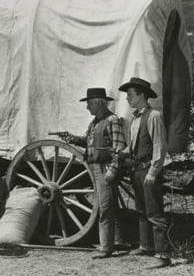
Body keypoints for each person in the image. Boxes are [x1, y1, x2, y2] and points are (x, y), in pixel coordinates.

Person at [60, 88, 127, 259]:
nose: (87, 107)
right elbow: (88, 142)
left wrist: (112, 170)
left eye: (89, 103)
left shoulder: (112, 120)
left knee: (104, 208)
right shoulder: (95, 122)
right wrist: (72, 138)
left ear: (98, 102)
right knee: (107, 205)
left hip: (104, 168)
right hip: (95, 167)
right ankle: (116, 241)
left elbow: (119, 148)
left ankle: (105, 248)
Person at [117, 77, 171, 268]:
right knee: (142, 211)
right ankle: (146, 246)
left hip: (148, 171)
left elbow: (159, 146)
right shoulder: (135, 118)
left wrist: (153, 171)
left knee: (155, 213)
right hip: (136, 170)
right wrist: (122, 152)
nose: (127, 99)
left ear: (142, 95)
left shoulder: (154, 116)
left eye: (130, 95)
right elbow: (134, 146)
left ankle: (163, 255)